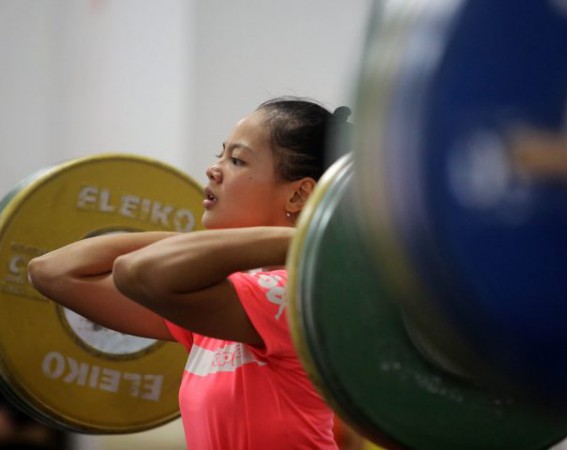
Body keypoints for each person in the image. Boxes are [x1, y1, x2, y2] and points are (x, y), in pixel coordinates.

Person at [28, 97, 353, 450]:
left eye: (238, 160)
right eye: (221, 154)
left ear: (298, 195)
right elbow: (52, 272)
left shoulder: (297, 296)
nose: (214, 169)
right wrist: (296, 239)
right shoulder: (222, 303)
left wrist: (304, 239)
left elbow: (137, 271)